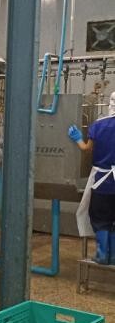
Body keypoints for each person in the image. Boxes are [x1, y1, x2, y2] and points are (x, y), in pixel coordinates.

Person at [69, 91, 115, 264]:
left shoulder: (98, 125)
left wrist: (77, 138)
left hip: (102, 182)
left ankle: (103, 255)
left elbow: (86, 149)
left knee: (101, 218)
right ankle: (114, 256)